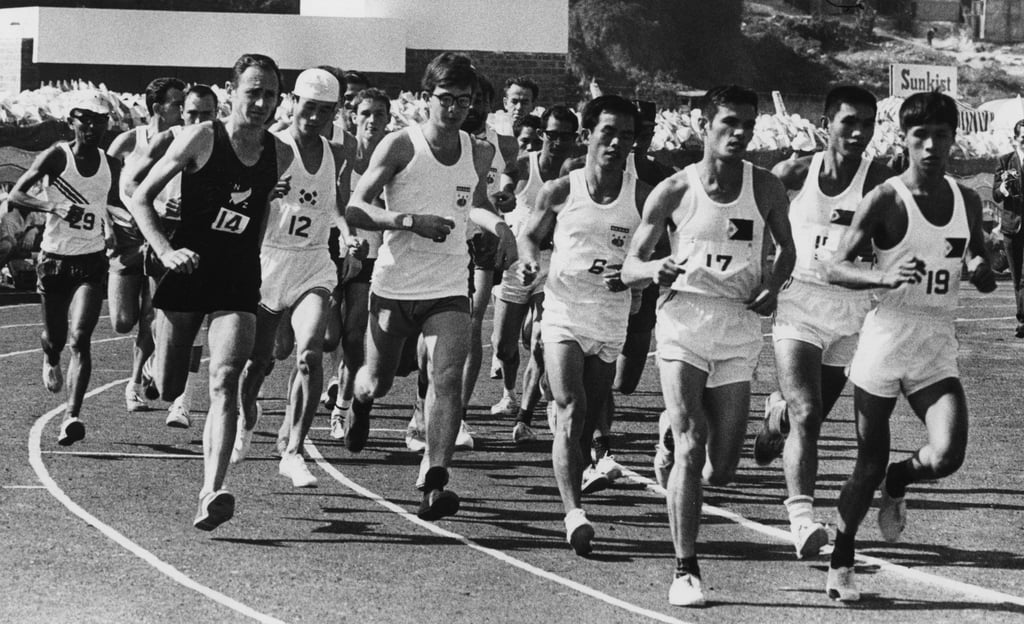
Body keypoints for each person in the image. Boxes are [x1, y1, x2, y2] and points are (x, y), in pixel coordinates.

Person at [621, 85, 795, 607]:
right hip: (683, 321)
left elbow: (787, 249)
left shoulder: (764, 187)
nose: (738, 133)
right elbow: (631, 264)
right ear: (705, 126)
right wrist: (655, 267)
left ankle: (692, 432)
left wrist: (774, 284)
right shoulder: (674, 189)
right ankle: (685, 569)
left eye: (747, 124)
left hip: (737, 324)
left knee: (722, 469)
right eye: (728, 123)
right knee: (692, 444)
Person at [822, 91, 995, 602]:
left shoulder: (965, 199)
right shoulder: (886, 198)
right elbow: (835, 266)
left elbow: (980, 266)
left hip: (936, 344)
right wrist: (881, 272)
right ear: (904, 139)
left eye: (941, 136)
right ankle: (841, 557)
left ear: (953, 141)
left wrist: (983, 272)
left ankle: (900, 479)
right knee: (866, 461)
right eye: (921, 136)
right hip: (886, 339)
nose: (931, 146)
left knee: (947, 456)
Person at [343, 52, 517, 520]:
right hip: (395, 285)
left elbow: (475, 205)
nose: (455, 108)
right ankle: (359, 404)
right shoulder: (401, 146)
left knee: (445, 379)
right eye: (446, 99)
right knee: (376, 382)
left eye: (464, 101)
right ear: (426, 98)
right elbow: (356, 209)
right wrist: (408, 221)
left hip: (447, 287)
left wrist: (500, 227)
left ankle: (435, 480)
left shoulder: (478, 151)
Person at [129, 53, 290, 531]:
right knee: (172, 384)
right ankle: (158, 371)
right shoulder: (202, 136)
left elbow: (259, 211)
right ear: (232, 91)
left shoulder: (279, 153)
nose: (261, 103)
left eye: (270, 95)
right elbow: (139, 196)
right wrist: (163, 251)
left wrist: (253, 257)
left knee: (225, 380)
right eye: (253, 92)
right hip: (187, 268)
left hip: (236, 278)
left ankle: (212, 491)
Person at [752, 86, 893, 559]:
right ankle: (802, 521)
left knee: (802, 417)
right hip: (800, 305)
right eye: (848, 122)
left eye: (867, 124)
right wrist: (766, 275)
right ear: (826, 123)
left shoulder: (883, 181)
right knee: (809, 415)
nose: (857, 132)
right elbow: (757, 221)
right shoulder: (795, 171)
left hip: (852, 314)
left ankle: (776, 416)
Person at [518, 95, 649, 556]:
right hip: (564, 310)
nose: (616, 142)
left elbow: (654, 254)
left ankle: (577, 459)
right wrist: (529, 265)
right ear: (588, 135)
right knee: (571, 408)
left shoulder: (642, 196)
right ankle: (574, 513)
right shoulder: (560, 190)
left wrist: (632, 273)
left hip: (610, 316)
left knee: (591, 413)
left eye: (626, 135)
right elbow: (530, 237)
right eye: (608, 132)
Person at [233, 68, 354, 488]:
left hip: (314, 263)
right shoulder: (272, 146)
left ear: (335, 111)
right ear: (293, 104)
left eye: (326, 110)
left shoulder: (338, 152)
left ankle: (294, 450)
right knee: (261, 360)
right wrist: (263, 198)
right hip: (270, 261)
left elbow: (335, 204)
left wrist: (347, 231)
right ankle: (248, 414)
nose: (315, 117)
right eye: (309, 107)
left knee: (309, 354)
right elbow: (244, 199)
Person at [9, 91, 122, 445]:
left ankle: (72, 417)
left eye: (98, 120)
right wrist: (52, 208)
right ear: (72, 121)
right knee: (56, 338)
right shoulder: (57, 157)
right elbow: (15, 195)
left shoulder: (111, 164)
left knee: (81, 338)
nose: (91, 126)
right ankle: (50, 356)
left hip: (90, 261)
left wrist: (116, 227)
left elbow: (114, 204)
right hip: (55, 260)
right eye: (84, 119)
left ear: (107, 124)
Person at [121, 84, 220, 428]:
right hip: (166, 238)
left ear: (216, 114)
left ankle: (183, 402)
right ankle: (152, 367)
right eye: (191, 112)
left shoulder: (221, 141)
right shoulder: (168, 139)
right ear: (181, 112)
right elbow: (131, 184)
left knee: (195, 325)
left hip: (204, 243)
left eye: (206, 114)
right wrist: (162, 206)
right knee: (158, 316)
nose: (198, 120)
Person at [491, 105, 578, 444]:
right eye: (552, 134)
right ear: (542, 134)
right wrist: (507, 196)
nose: (557, 141)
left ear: (575, 137)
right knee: (502, 346)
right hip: (520, 260)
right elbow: (508, 185)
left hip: (554, 261)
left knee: (541, 340)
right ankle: (509, 393)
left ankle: (536, 405)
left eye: (565, 136)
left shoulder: (576, 170)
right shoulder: (527, 163)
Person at [106, 77, 186, 413]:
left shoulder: (185, 141)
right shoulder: (128, 141)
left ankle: (136, 380)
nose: (182, 110)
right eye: (176, 104)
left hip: (162, 233)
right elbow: (104, 188)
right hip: (127, 235)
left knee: (151, 313)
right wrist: (108, 223)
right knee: (122, 320)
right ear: (157, 108)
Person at [328, 87, 391, 439]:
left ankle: (342, 407)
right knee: (326, 337)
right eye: (365, 113)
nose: (371, 120)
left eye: (378, 114)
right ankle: (337, 380)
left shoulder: (395, 159)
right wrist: (346, 238)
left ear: (388, 119)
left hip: (371, 256)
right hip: (333, 250)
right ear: (352, 116)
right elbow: (336, 203)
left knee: (354, 336)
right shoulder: (342, 155)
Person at [992, 119, 1024, 337]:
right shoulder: (1005, 161)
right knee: (1016, 278)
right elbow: (995, 194)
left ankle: (1022, 321)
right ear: (1016, 139)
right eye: (1023, 137)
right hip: (1012, 227)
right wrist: (1003, 188)